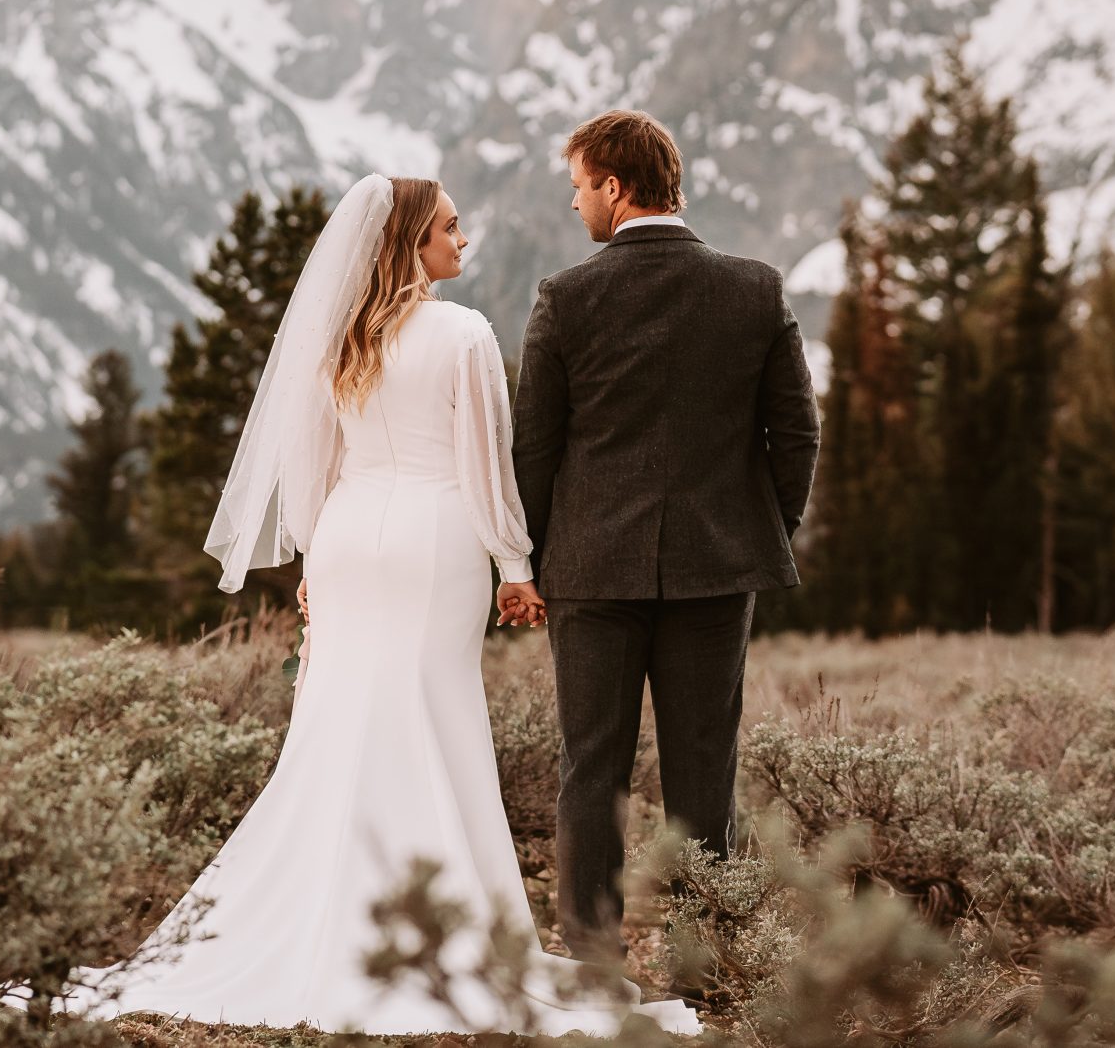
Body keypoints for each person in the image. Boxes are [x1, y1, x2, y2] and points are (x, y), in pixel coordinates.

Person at [52, 173, 701, 1036]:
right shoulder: (463, 334)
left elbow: (315, 463)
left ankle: (335, 910)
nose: (462, 241)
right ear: (411, 244)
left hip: (351, 538)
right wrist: (516, 561)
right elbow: (485, 464)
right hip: (436, 542)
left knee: (343, 719)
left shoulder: (341, 338)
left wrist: (317, 555)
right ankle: (442, 923)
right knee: (433, 712)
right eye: (450, 228)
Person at [512, 110, 820, 966]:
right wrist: (760, 531)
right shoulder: (754, 289)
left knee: (590, 772)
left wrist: (528, 561)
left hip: (589, 571)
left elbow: (534, 446)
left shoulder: (566, 297)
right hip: (717, 571)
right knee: (702, 774)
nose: (575, 204)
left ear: (615, 185)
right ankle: (707, 963)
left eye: (579, 186)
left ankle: (590, 961)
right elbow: (796, 436)